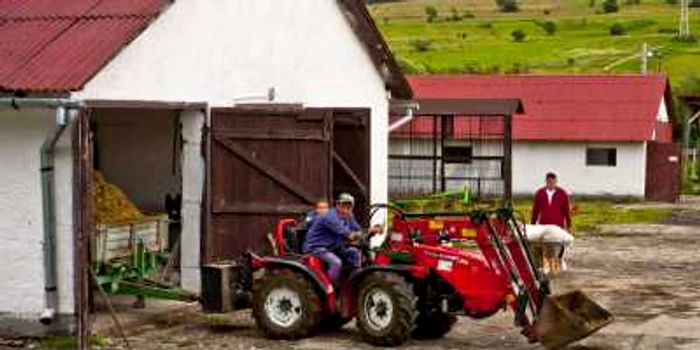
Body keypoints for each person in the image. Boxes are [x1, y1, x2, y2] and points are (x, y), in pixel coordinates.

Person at [303, 193, 374, 284]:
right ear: (337, 205)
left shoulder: (349, 215)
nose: (345, 210)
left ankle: (354, 281)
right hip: (317, 247)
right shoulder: (330, 217)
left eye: (349, 207)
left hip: (333, 246)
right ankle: (330, 288)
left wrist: (370, 231)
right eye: (343, 206)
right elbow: (350, 235)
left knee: (354, 253)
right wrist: (365, 232)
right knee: (336, 263)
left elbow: (357, 229)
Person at [531, 172, 572, 274]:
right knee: (545, 245)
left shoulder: (562, 193)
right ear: (546, 181)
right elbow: (535, 210)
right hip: (544, 225)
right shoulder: (540, 193)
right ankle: (545, 266)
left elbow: (566, 210)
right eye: (549, 182)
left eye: (553, 182)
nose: (551, 184)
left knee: (559, 245)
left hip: (558, 225)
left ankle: (558, 264)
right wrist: (532, 224)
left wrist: (569, 224)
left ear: (556, 182)